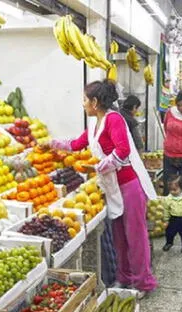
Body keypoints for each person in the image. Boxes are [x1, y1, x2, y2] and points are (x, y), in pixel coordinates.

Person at [43, 80, 157, 297]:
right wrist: (51, 143)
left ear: (95, 102)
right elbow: (76, 144)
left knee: (136, 236)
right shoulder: (96, 124)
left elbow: (122, 150)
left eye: (85, 100)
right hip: (113, 187)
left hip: (129, 185)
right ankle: (124, 278)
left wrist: (97, 167)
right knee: (120, 236)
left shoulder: (114, 120)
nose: (83, 104)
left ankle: (143, 282)